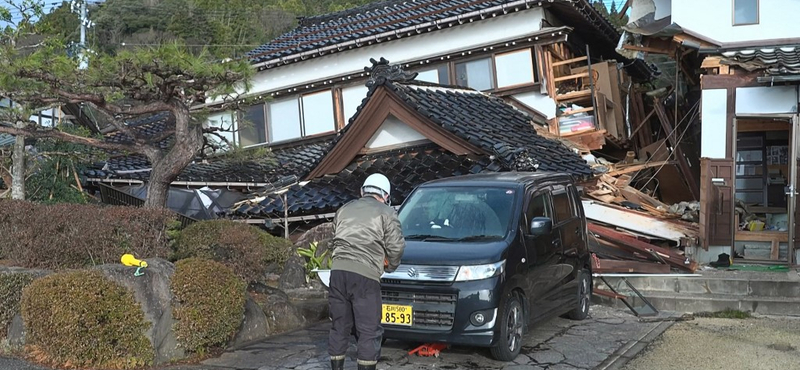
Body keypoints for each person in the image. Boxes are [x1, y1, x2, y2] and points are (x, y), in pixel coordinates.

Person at [328, 173, 405, 370]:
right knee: (368, 330)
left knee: (339, 326)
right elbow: (396, 247)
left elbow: (332, 241)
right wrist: (390, 266)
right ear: (386, 195)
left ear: (362, 191)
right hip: (365, 276)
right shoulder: (386, 212)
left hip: (338, 273)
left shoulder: (343, 209)